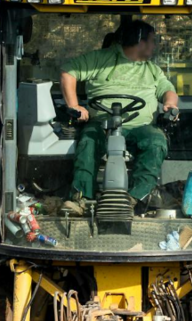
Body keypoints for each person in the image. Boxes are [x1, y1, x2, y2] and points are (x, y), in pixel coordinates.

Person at [59, 19, 179, 215]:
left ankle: (135, 198)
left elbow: (168, 90)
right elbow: (68, 72)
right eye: (152, 41)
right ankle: (81, 199)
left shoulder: (152, 69)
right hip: (101, 124)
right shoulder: (99, 59)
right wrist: (74, 105)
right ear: (140, 41)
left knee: (156, 140)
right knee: (88, 140)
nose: (154, 46)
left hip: (139, 128)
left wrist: (170, 103)